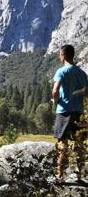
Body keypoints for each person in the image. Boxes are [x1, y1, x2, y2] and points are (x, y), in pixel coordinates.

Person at [52, 44, 88, 183]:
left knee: (62, 144)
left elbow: (55, 91)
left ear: (63, 55)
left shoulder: (61, 71)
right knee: (79, 144)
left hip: (64, 112)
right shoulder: (82, 73)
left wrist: (56, 101)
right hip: (79, 112)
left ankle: (59, 176)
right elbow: (86, 93)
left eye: (60, 54)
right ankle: (79, 175)